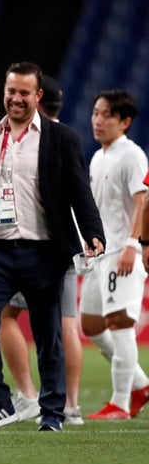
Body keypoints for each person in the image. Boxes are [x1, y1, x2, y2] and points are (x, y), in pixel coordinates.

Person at [0, 61, 104, 433]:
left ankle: (52, 412)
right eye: (11, 91)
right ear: (3, 92)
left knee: (49, 335)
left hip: (45, 252)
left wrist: (93, 233)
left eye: (24, 92)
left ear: (38, 95)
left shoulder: (62, 138)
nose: (16, 99)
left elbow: (78, 191)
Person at [0, 76, 86, 424]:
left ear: (37, 98)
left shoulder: (40, 139)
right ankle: (71, 405)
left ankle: (29, 395)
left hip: (35, 244)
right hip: (65, 245)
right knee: (66, 322)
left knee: (3, 315)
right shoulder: (69, 137)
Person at [80, 89, 149, 420]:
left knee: (120, 323)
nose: (98, 120)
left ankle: (120, 403)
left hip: (122, 250)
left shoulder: (131, 155)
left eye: (106, 114)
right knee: (91, 324)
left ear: (124, 121)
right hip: (100, 253)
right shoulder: (97, 156)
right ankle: (140, 384)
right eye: (95, 113)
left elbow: (143, 201)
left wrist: (133, 245)